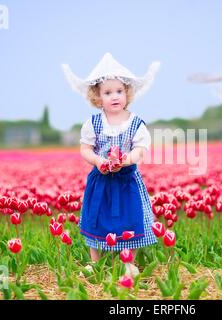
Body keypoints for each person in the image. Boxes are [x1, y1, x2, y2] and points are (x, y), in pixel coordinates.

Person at [61, 53, 160, 276]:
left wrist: (125, 159)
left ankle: (128, 262)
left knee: (130, 217)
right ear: (97, 97)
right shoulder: (93, 123)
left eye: (119, 91)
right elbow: (85, 149)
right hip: (101, 180)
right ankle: (95, 261)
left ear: (127, 93)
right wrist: (98, 161)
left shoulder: (135, 123)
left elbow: (140, 151)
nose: (114, 96)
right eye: (107, 92)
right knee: (96, 217)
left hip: (127, 180)